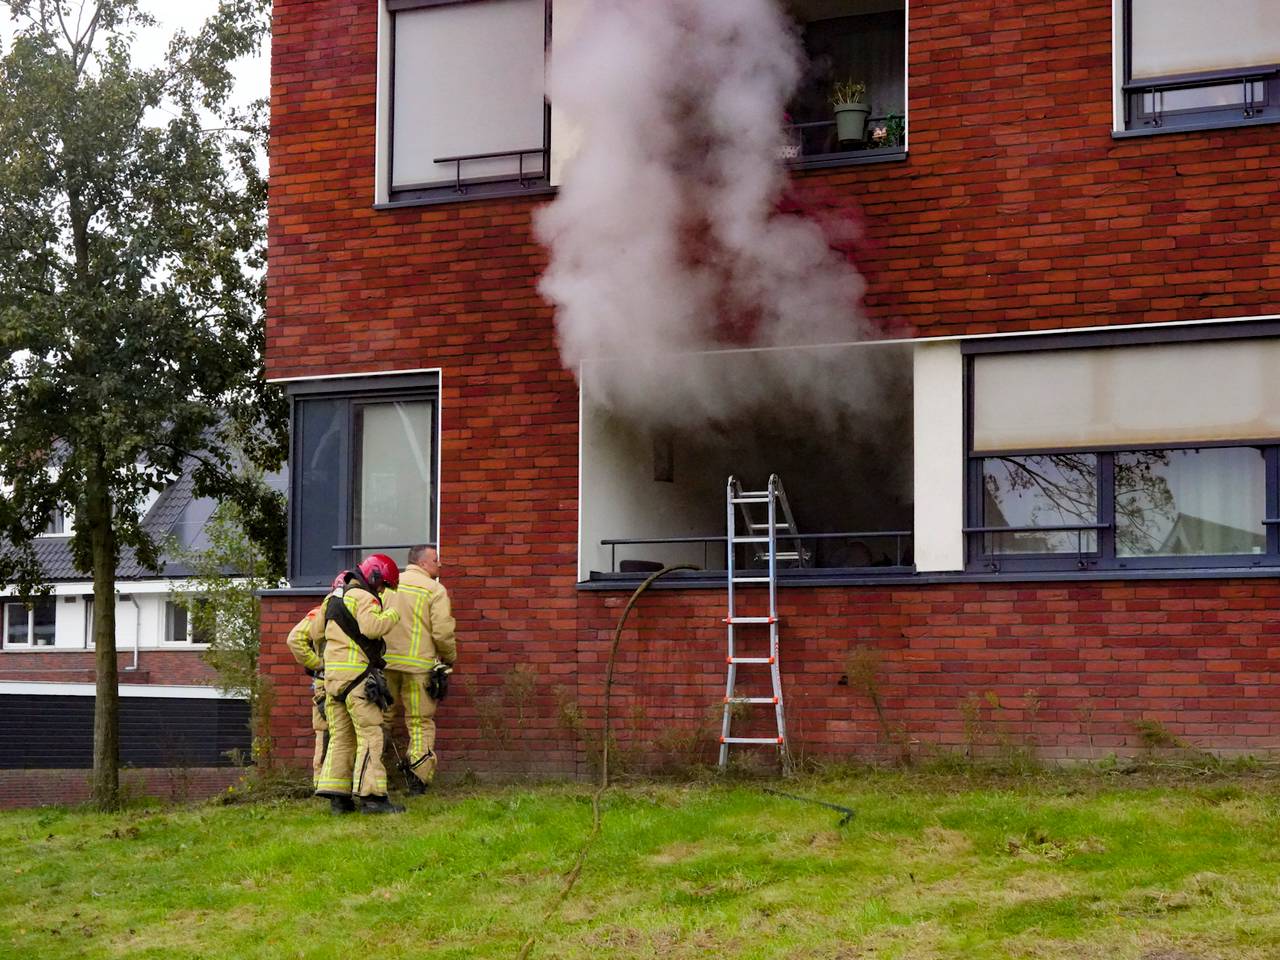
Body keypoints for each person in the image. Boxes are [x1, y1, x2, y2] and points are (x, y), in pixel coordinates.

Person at [314, 554, 403, 815]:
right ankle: (372, 798)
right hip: (357, 678)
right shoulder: (365, 597)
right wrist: (394, 614)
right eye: (382, 584)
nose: (382, 590)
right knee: (371, 735)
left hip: (332, 681)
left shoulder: (332, 598)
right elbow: (372, 627)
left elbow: (315, 633)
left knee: (340, 738)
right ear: (374, 576)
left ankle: (338, 800)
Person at [384, 544, 457, 794]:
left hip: (385, 665)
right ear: (423, 563)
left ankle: (371, 778)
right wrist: (449, 658)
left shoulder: (388, 584)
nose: (440, 564)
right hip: (419, 667)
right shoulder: (434, 590)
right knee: (420, 722)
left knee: (378, 721)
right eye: (436, 559)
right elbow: (443, 631)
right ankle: (418, 780)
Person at [283, 572, 346, 788]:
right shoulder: (321, 614)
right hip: (332, 682)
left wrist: (316, 664)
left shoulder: (324, 612)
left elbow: (295, 640)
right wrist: (318, 664)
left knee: (330, 734)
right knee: (328, 734)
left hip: (332, 681)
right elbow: (294, 639)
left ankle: (328, 784)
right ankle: (322, 784)